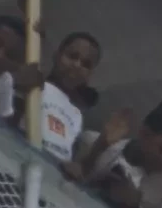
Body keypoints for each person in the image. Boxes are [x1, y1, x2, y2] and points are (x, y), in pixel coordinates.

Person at [17, 31, 101, 163]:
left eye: (86, 64)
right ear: (57, 55)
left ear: (90, 74)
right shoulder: (34, 84)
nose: (77, 65)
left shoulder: (77, 115)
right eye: (72, 56)